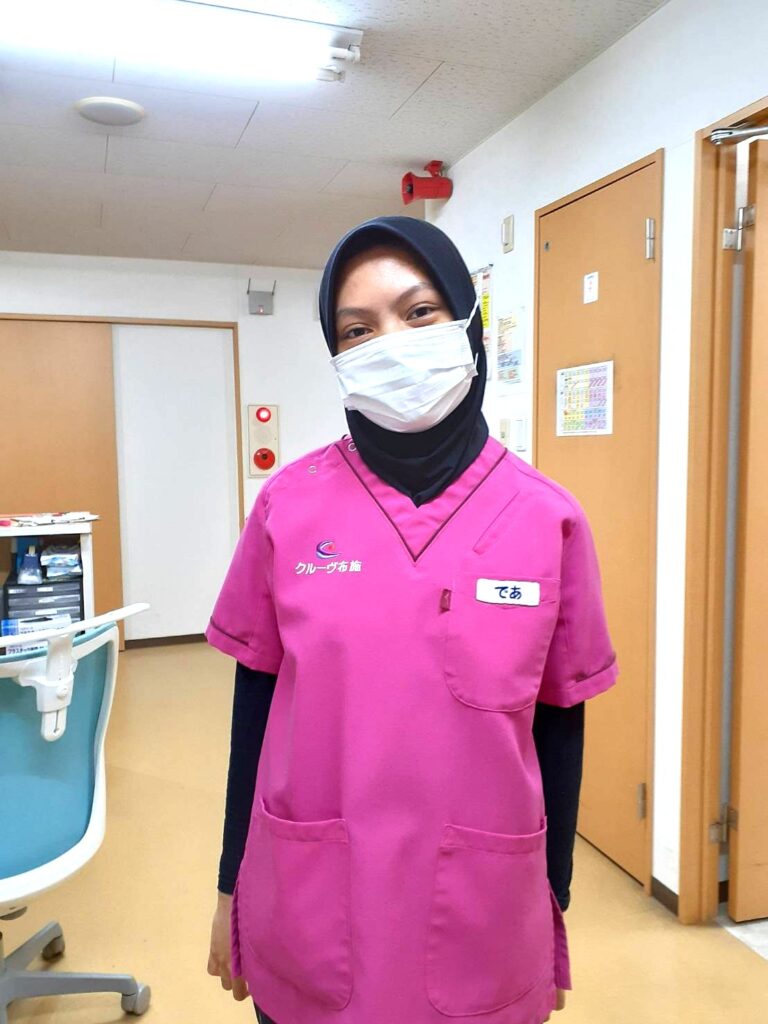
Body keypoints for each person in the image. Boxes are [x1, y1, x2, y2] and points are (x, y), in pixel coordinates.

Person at [206, 216, 619, 1024]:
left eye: (419, 311)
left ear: (468, 321)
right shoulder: (289, 507)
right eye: (357, 330)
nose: (390, 343)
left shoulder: (548, 519)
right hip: (312, 900)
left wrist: (552, 903)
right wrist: (230, 887)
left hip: (481, 911)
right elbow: (252, 706)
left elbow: (560, 725)